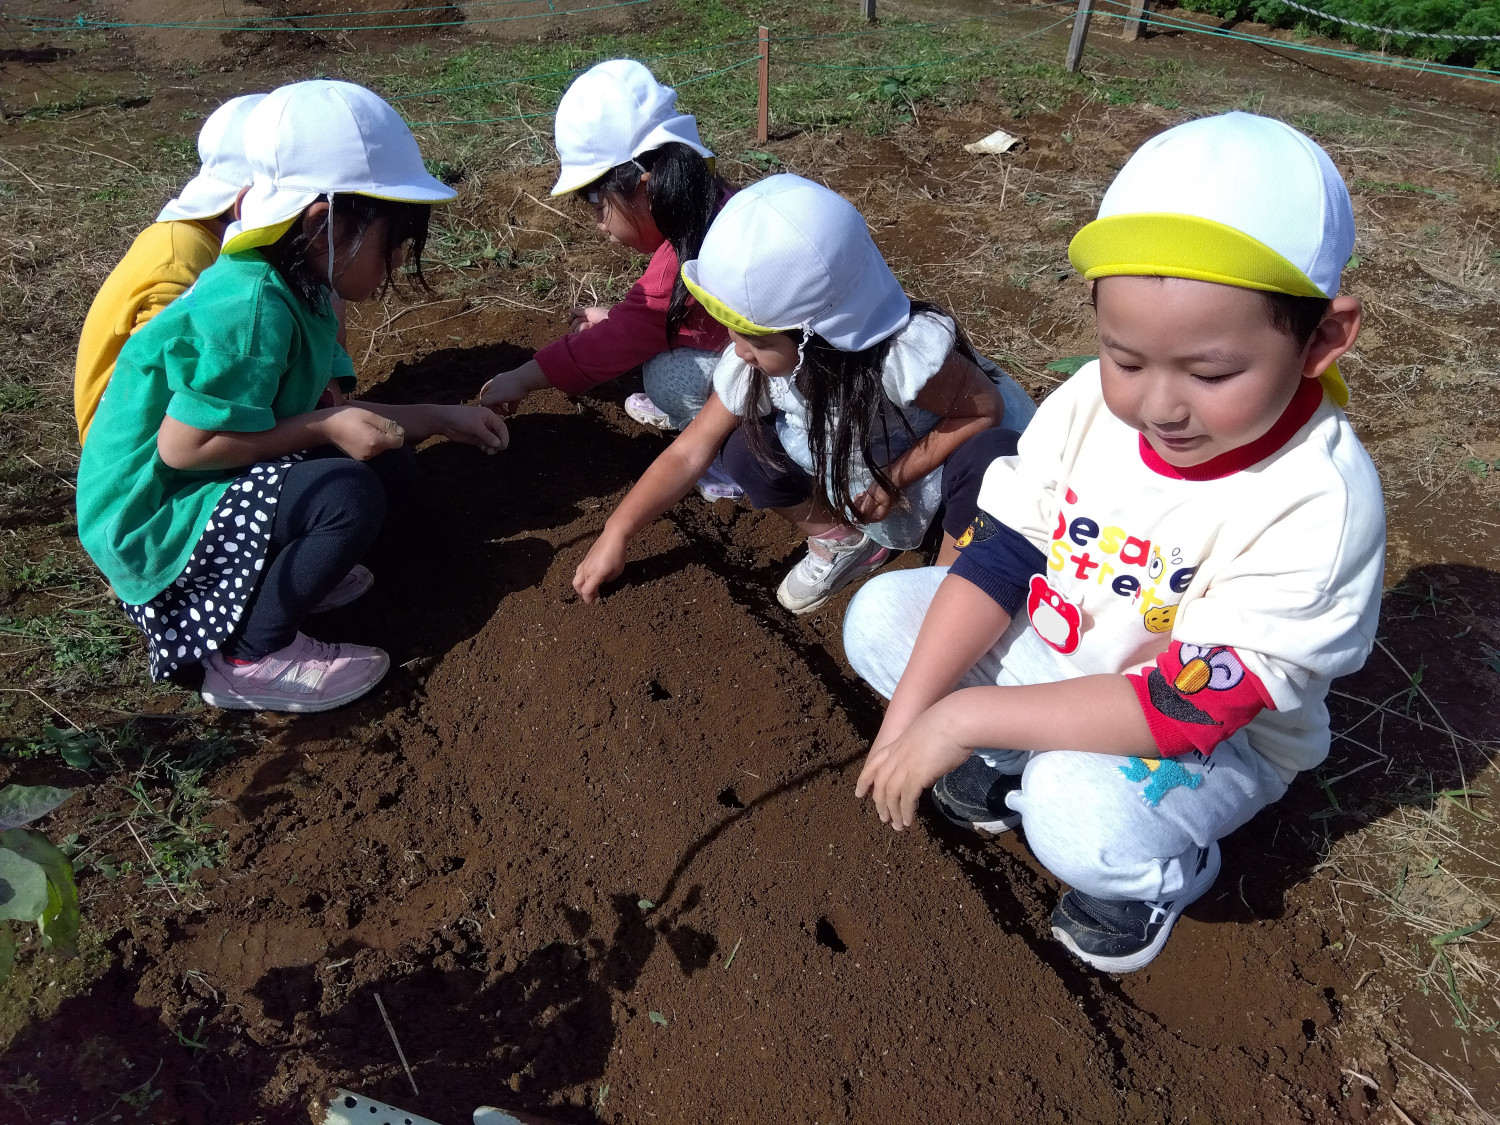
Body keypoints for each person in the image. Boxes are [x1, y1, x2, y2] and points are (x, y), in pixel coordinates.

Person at [843, 112, 1386, 973]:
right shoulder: (1090, 405)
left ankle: (1163, 869)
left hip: (1213, 733)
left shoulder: (1317, 502)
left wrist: (966, 711)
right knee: (880, 618)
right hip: (1073, 655)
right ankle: (1009, 742)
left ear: (1322, 338)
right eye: (1125, 357)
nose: (1159, 405)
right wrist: (912, 717)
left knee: (1071, 807)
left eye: (1210, 374)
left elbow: (1186, 706)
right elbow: (1004, 554)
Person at [76, 79, 508, 713]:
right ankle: (250, 655)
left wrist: (441, 417)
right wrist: (324, 433)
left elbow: (329, 410)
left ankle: (273, 576)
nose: (392, 265)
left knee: (385, 464)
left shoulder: (302, 288)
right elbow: (184, 449)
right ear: (326, 223)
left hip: (197, 481)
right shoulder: (248, 307)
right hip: (150, 512)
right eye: (392, 244)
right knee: (344, 493)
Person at [573, 174, 1037, 615]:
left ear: (820, 338)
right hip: (856, 461)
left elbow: (982, 411)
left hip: (934, 453)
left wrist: (895, 477)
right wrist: (617, 532)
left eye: (755, 341)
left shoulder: (901, 360)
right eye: (735, 334)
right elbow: (690, 451)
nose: (739, 353)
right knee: (743, 452)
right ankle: (843, 539)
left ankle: (946, 595)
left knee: (988, 463)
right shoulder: (759, 364)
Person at [477, 59, 742, 499]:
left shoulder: (675, 263)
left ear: (645, 184)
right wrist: (618, 318)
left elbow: (619, 340)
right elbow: (665, 316)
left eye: (598, 207)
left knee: (667, 377)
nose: (599, 226)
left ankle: (730, 458)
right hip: (767, 355)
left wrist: (522, 377)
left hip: (774, 380)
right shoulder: (717, 203)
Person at [74, 93, 266, 445]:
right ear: (248, 200)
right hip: (135, 453)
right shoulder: (182, 256)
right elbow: (155, 389)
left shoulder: (198, 239)